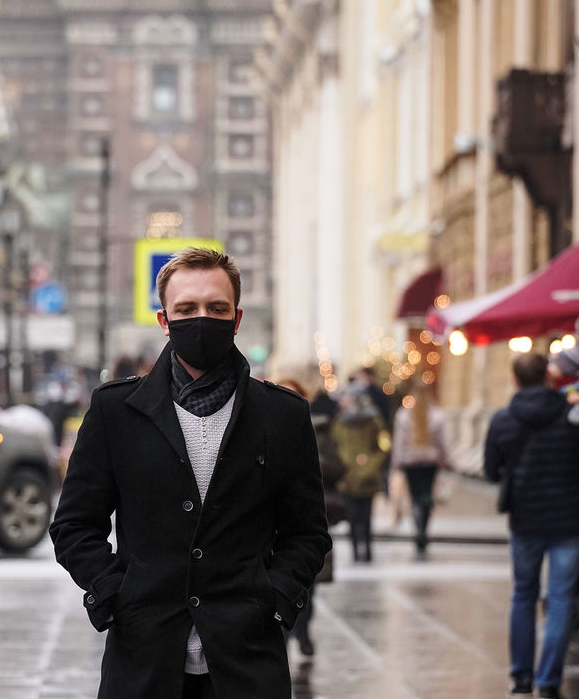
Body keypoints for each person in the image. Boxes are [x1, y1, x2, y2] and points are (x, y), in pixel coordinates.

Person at [50, 247, 331, 699]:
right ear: (165, 320)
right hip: (143, 659)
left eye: (216, 308)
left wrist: (276, 599)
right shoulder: (115, 411)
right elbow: (74, 524)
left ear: (236, 318)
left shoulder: (282, 415)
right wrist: (113, 594)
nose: (202, 319)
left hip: (247, 663)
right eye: (186, 309)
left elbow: (308, 532)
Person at [484, 353, 579, 699]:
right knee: (560, 599)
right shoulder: (574, 415)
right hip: (569, 519)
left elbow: (491, 471)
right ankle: (549, 680)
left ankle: (521, 678)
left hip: (525, 519)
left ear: (515, 380)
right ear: (549, 378)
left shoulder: (503, 420)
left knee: (523, 594)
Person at [273, 375, 345, 658]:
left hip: (307, 519)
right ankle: (284, 639)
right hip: (271, 526)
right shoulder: (259, 429)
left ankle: (302, 632)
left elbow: (338, 467)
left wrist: (313, 463)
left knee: (307, 587)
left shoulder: (319, 430)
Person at [390, 379, 449, 557]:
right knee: (427, 495)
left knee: (415, 496)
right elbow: (442, 442)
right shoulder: (437, 415)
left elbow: (399, 441)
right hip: (429, 461)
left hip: (411, 462)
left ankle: (418, 528)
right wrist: (446, 458)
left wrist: (396, 461)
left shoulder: (403, 415)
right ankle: (423, 528)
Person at [330, 380, 387, 563]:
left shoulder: (373, 420)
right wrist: (341, 463)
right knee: (352, 517)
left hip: (368, 477)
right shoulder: (340, 421)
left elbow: (383, 445)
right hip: (347, 476)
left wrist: (371, 463)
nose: (344, 401)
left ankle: (367, 549)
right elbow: (334, 445)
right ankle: (356, 550)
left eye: (347, 397)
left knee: (366, 517)